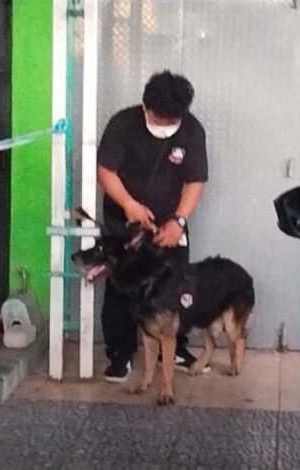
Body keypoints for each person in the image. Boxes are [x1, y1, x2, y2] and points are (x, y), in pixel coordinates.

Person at [97, 70, 208, 382]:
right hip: (126, 219)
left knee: (175, 285)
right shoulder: (123, 124)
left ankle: (177, 347)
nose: (165, 127)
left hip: (169, 224)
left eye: (171, 121)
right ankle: (120, 352)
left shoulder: (191, 130)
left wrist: (179, 221)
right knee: (121, 286)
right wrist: (129, 205)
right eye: (160, 120)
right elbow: (105, 171)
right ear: (146, 108)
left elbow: (195, 181)